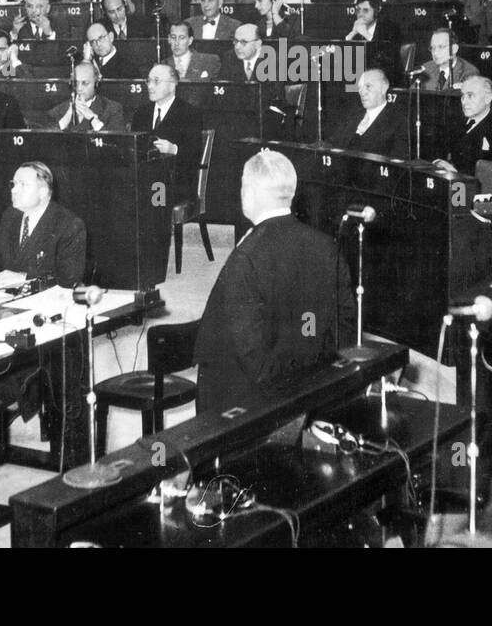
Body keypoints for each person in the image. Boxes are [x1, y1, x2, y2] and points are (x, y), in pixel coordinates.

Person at [194, 150, 354, 412]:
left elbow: (248, 353)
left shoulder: (246, 255)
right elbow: (345, 323)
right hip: (315, 382)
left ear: (250, 194)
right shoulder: (327, 246)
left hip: (245, 398)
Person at [0, 161, 87, 285]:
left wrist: (23, 278)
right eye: (14, 184)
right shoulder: (10, 216)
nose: (14, 190)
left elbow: (69, 279)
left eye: (23, 185)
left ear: (43, 192)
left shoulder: (68, 225)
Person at [130, 65, 204, 204]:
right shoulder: (141, 113)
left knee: (156, 190)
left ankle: (156, 225)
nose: (150, 86)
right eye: (148, 81)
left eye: (156, 81)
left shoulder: (189, 113)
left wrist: (173, 149)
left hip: (177, 181)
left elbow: (194, 153)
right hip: (144, 178)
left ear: (172, 85)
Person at [431, 75, 492, 176]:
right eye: (463, 96)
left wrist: (456, 173)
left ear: (488, 98)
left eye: (470, 95)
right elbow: (439, 148)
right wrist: (438, 162)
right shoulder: (455, 122)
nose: (464, 102)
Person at [330, 68, 408, 159]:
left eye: (368, 86)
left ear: (383, 88)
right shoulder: (351, 116)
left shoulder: (399, 121)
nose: (362, 92)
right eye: (360, 88)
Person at [45, 61, 126, 132]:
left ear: (96, 83)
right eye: (76, 83)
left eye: (85, 83)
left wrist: (93, 119)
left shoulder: (113, 109)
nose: (79, 88)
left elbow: (117, 143)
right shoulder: (57, 110)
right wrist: (66, 118)